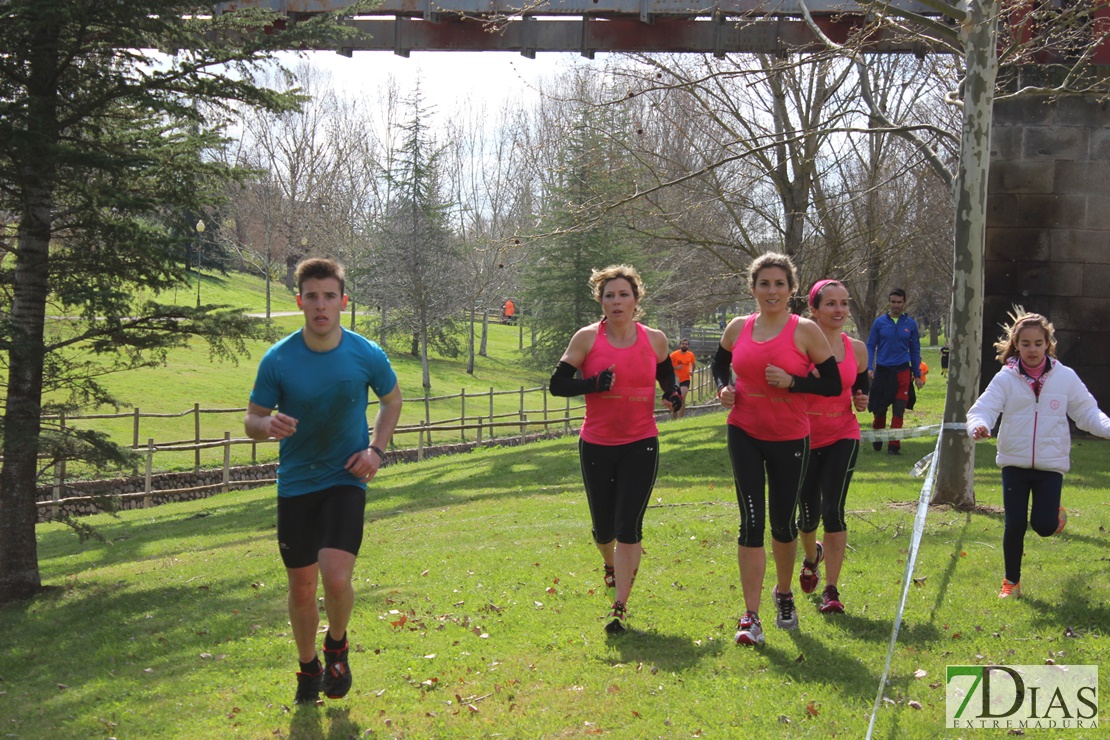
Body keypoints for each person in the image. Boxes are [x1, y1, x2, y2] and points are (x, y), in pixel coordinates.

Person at [244, 258, 403, 705]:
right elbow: (251, 420)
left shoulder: (365, 353)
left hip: (344, 478)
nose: (321, 305)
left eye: (329, 296)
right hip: (296, 484)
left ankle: (337, 644)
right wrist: (266, 425)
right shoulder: (278, 359)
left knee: (335, 578)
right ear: (299, 301)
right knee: (302, 586)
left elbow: (392, 401)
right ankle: (308, 666)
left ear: (343, 302)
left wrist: (376, 450)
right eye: (312, 296)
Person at [712, 253, 842, 646]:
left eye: (779, 284)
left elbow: (833, 384)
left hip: (790, 438)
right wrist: (723, 388)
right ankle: (750, 616)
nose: (772, 291)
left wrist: (793, 382)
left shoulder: (804, 331)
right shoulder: (738, 327)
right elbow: (719, 362)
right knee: (751, 522)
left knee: (782, 525)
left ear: (792, 290)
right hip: (744, 432)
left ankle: (784, 594)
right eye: (764, 284)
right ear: (752, 289)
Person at [549, 265, 682, 634]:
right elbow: (557, 384)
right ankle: (610, 564)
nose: (617, 301)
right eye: (610, 295)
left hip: (641, 442)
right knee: (603, 528)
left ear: (636, 300)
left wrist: (671, 393)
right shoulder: (587, 339)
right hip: (597, 443)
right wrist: (592, 384)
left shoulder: (654, 339)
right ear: (601, 301)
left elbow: (665, 373)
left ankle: (619, 606)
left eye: (624, 294)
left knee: (628, 526)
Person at [966, 308, 1110, 599]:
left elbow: (1087, 413)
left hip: (1050, 465)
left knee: (1044, 527)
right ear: (1016, 345)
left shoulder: (1065, 377)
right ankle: (1011, 582)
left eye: (1038, 343)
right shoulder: (1005, 378)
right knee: (1015, 523)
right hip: (1014, 463)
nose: (1032, 349)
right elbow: (984, 408)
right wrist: (979, 425)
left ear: (1048, 344)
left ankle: (1054, 514)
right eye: (1026, 343)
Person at [796, 280, 870, 614]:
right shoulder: (797, 346)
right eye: (831, 304)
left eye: (844, 303)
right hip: (803, 437)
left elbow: (861, 386)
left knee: (833, 509)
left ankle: (832, 590)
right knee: (807, 515)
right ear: (814, 309)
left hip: (844, 432)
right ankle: (812, 557)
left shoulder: (857, 349)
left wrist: (862, 398)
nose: (839, 310)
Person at [866, 288, 924, 455]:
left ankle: (894, 446)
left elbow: (915, 350)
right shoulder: (879, 323)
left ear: (904, 303)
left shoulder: (910, 324)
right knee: (879, 409)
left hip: (903, 372)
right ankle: (878, 437)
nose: (896, 305)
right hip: (883, 372)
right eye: (893, 302)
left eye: (899, 302)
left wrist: (918, 374)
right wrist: (869, 366)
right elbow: (870, 345)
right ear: (889, 302)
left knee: (899, 409)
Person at [669, 337, 696, 419]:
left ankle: (680, 418)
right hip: (675, 380)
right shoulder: (674, 355)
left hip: (685, 379)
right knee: (675, 399)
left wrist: (692, 371)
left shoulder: (690, 355)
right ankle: (674, 418)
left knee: (682, 398)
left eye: (686, 344)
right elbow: (667, 366)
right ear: (680, 345)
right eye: (683, 344)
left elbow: (694, 364)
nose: (684, 345)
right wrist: (676, 368)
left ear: (688, 346)